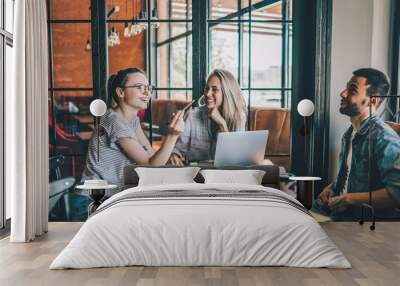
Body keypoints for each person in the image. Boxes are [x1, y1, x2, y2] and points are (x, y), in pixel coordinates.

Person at [314, 68, 400, 219]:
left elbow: (396, 192)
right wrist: (333, 188)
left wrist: (349, 199)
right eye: (346, 87)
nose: (343, 93)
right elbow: (352, 177)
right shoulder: (349, 134)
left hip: (364, 224)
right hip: (337, 214)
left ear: (373, 100)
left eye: (352, 90)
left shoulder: (384, 138)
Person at [82, 67, 185, 189]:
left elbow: (151, 156)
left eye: (148, 87)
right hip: (96, 199)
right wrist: (172, 136)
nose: (147, 93)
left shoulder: (132, 120)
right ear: (121, 92)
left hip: (114, 194)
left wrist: (170, 155)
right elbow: (151, 166)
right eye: (139, 87)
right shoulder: (115, 121)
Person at [168, 69, 247, 165]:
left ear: (227, 93)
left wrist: (222, 125)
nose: (207, 94)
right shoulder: (192, 115)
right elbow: (177, 149)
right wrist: (174, 154)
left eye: (214, 89)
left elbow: (234, 159)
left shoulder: (239, 118)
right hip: (197, 174)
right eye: (207, 88)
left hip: (225, 175)